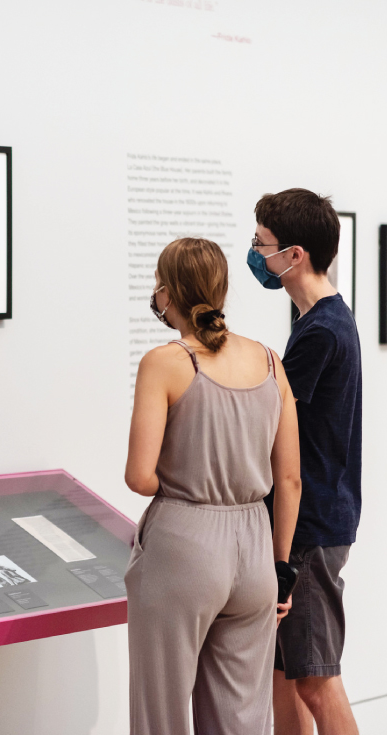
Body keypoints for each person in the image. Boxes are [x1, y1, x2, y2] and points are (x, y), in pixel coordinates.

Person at [124, 237, 301, 735]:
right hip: (256, 551)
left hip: (184, 543)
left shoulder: (165, 362)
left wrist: (188, 478)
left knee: (161, 715)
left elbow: (139, 476)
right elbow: (289, 479)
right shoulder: (270, 361)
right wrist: (280, 566)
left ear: (167, 293)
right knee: (242, 719)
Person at [250, 189, 362, 735]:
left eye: (261, 244)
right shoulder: (319, 320)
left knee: (316, 677)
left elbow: (277, 431)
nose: (254, 253)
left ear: (293, 255)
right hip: (311, 519)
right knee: (285, 672)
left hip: (311, 527)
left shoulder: (319, 331)